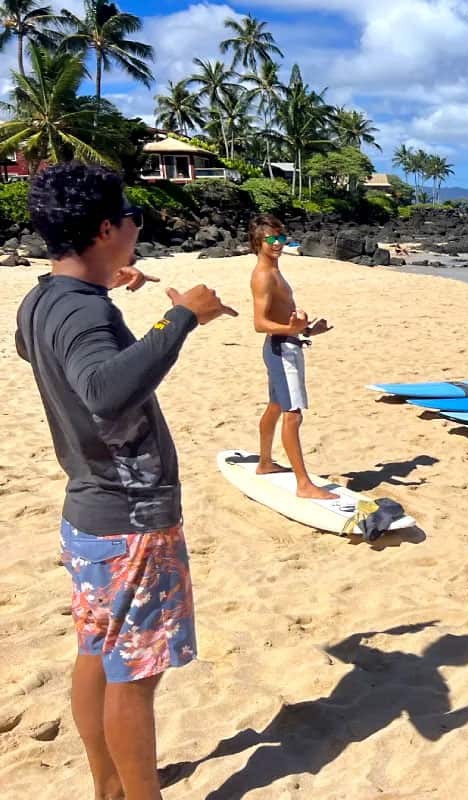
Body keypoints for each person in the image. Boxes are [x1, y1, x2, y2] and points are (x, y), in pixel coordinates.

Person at [15, 162, 237, 800]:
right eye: (132, 218)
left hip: (88, 512)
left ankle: (108, 788)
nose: (139, 227)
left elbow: (41, 349)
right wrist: (180, 320)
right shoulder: (81, 311)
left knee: (99, 652)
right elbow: (105, 392)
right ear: (108, 228)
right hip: (129, 517)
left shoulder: (44, 300)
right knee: (134, 676)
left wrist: (107, 290)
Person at [250, 214, 336, 500]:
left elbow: (282, 316)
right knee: (292, 414)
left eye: (281, 238)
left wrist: (308, 330)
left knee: (276, 405)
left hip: (286, 343)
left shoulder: (274, 271)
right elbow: (259, 323)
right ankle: (303, 484)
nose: (277, 244)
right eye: (270, 239)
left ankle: (264, 463)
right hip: (280, 349)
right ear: (258, 242)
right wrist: (291, 329)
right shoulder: (263, 276)